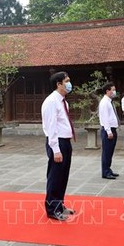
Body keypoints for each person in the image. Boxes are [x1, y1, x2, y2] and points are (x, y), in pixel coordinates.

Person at [41, 71, 76, 221]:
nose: (69, 83)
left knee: (63, 176)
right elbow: (51, 127)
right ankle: (52, 209)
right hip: (57, 142)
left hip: (65, 142)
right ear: (59, 84)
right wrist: (55, 149)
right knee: (55, 176)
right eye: (66, 81)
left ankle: (60, 205)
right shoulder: (51, 101)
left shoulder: (63, 101)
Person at [98, 82, 119, 180]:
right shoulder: (104, 102)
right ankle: (105, 172)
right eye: (113, 90)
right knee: (106, 152)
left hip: (112, 129)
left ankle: (108, 169)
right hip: (108, 130)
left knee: (110, 151)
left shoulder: (109, 101)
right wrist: (108, 131)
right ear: (107, 91)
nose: (114, 92)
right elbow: (105, 118)